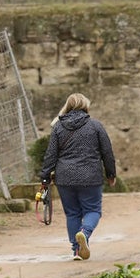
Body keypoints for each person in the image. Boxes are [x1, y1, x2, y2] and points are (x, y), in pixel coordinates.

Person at [38, 93, 117, 261]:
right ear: (85, 106)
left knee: (73, 214)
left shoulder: (58, 127)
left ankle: (76, 251)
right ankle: (84, 232)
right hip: (91, 176)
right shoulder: (96, 126)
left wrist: (45, 177)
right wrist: (111, 174)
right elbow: (107, 152)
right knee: (93, 210)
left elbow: (51, 155)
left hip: (65, 178)